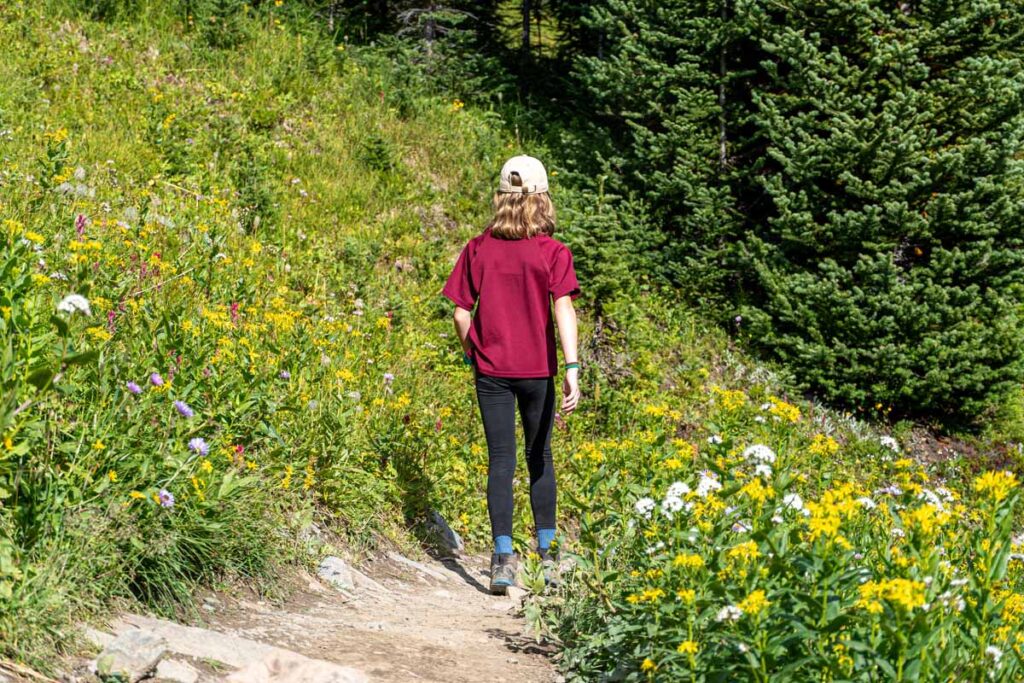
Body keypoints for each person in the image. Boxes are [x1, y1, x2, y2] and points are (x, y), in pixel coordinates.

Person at [442, 155, 581, 595]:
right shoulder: (554, 253)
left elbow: (461, 313)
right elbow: (563, 308)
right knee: (540, 458)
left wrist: (473, 356)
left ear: (501, 198)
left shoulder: (478, 247)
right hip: (537, 372)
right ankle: (550, 558)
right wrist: (573, 368)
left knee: (501, 460)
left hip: (492, 373)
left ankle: (503, 559)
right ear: (541, 199)